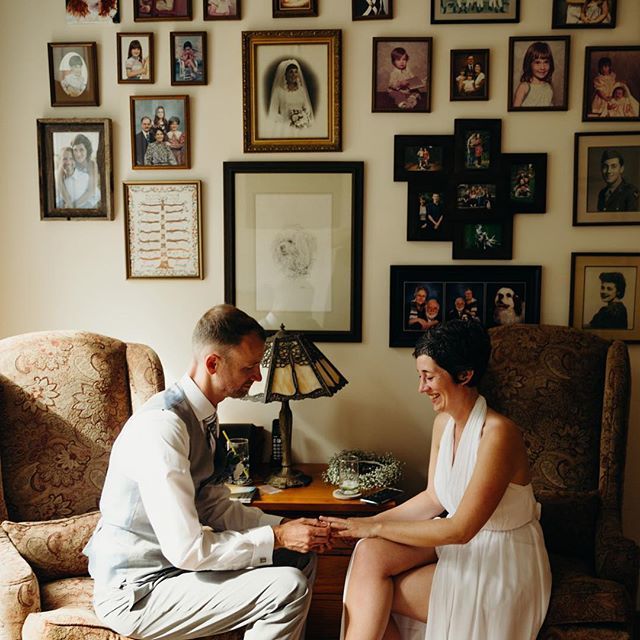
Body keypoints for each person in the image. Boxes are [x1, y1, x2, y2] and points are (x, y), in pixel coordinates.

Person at [84, 304, 330, 640]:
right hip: (137, 592)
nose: (258, 377)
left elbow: (215, 508)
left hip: (173, 572)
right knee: (287, 586)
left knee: (300, 559)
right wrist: (276, 537)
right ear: (213, 363)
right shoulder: (163, 428)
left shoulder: (206, 418)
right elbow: (187, 549)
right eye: (249, 367)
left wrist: (285, 528)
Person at [321, 320, 551, 640]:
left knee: (372, 596)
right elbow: (433, 498)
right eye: (420, 377)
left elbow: (460, 530)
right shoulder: (443, 423)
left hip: (499, 559)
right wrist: (359, 526)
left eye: (429, 377)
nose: (421, 388)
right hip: (461, 545)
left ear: (465, 374)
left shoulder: (498, 435)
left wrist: (372, 526)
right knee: (368, 552)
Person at [267, 59, 314, 134]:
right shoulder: (278, 91)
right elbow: (273, 113)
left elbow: (307, 109)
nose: (294, 75)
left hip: (301, 127)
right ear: (285, 74)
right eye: (291, 72)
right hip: (284, 127)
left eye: (296, 72)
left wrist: (302, 118)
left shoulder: (301, 90)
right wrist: (288, 121)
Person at [513, 41, 555, 108]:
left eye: (546, 62)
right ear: (529, 64)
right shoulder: (524, 87)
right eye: (537, 62)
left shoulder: (549, 86)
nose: (542, 67)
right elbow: (514, 112)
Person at [71, 133, 100, 208]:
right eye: (75, 150)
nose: (78, 154)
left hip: (89, 198)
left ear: (87, 150)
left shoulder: (92, 164)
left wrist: (74, 205)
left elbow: (91, 191)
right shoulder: (71, 162)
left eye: (81, 150)